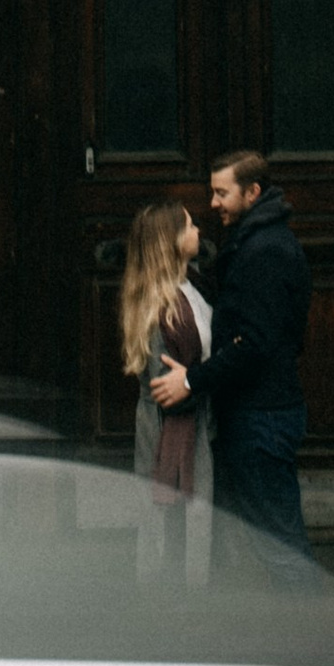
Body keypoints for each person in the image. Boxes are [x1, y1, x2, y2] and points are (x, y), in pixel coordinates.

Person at [148, 149, 312, 576]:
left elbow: (254, 343)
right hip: (258, 412)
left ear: (252, 192)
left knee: (279, 545)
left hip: (262, 417)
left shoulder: (263, 252)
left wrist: (193, 381)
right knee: (267, 542)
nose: (214, 203)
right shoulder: (254, 242)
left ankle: (315, 635)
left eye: (222, 193)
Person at [120, 197, 214, 588]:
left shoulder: (191, 286)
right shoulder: (161, 307)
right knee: (170, 520)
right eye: (190, 226)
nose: (198, 231)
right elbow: (165, 385)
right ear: (171, 240)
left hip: (198, 419)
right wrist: (201, 379)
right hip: (171, 426)